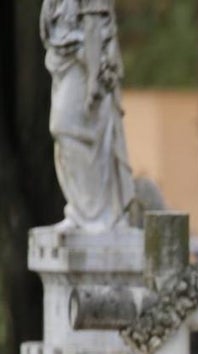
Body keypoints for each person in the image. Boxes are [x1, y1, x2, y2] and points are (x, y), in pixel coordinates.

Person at [40, 0, 135, 231]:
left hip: (87, 63)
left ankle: (96, 215)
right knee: (64, 135)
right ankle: (81, 211)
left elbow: (94, 25)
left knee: (66, 127)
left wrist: (93, 79)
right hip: (65, 63)